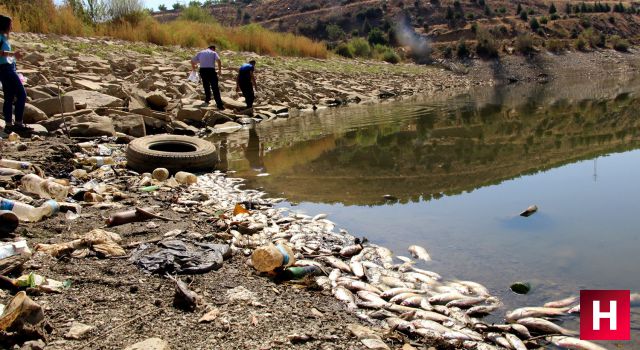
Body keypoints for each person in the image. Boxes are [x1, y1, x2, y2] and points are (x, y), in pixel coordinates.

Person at [0, 15, 28, 132]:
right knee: (22, 95)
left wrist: (14, 58)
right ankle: (18, 124)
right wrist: (13, 54)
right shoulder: (0, 37)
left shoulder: (3, 37)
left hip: (7, 68)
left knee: (9, 97)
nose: (12, 27)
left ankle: (9, 125)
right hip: (5, 70)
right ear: (5, 25)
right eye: (11, 24)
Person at [191, 45, 224, 110]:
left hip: (203, 70)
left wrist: (194, 68)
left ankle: (207, 99)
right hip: (211, 71)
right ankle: (219, 105)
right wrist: (220, 70)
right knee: (215, 87)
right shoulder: (213, 52)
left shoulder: (200, 52)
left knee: (206, 85)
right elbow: (219, 60)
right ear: (213, 49)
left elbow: (192, 61)